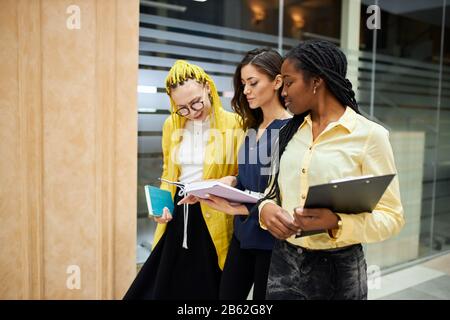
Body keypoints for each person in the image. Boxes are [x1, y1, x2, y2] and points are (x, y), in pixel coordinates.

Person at [258, 40, 405, 300]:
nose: (282, 92)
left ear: (316, 81)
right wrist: (265, 210)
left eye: (289, 82)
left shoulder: (370, 136)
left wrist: (337, 223)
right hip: (283, 263)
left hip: (338, 271)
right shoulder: (287, 132)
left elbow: (392, 218)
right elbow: (271, 193)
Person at [123, 60, 242, 300]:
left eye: (196, 101)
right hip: (178, 212)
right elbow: (169, 172)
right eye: (183, 108)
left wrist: (231, 180)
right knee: (158, 287)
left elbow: (242, 176)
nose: (193, 111)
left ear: (207, 87)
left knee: (206, 288)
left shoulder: (235, 123)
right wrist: (160, 207)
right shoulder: (172, 124)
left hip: (214, 213)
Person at [199, 48, 291, 300]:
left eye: (253, 83)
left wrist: (240, 207)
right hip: (243, 235)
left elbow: (287, 194)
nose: (246, 90)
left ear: (277, 82)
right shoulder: (251, 128)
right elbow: (248, 177)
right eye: (243, 84)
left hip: (271, 242)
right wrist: (231, 181)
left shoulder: (291, 131)